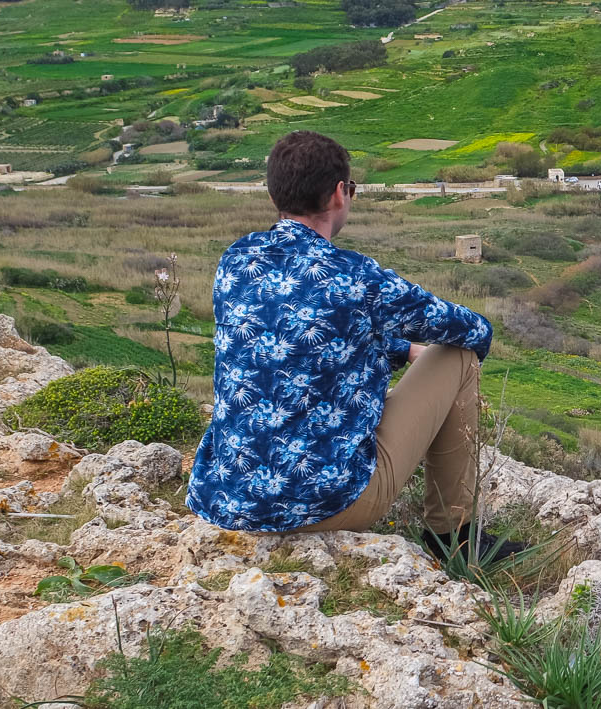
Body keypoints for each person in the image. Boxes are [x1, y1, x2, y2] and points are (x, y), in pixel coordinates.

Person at [187, 131, 520, 562]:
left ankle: (454, 535)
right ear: (340, 194)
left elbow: (305, 334)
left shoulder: (236, 261)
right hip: (325, 504)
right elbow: (473, 332)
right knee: (458, 356)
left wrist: (400, 350)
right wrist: (418, 349)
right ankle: (453, 537)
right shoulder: (355, 277)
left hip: (226, 499)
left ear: (275, 196)